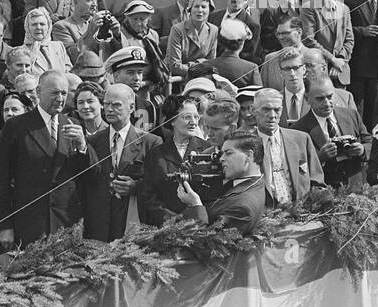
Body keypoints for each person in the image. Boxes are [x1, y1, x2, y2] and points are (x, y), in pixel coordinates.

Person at [0, 70, 87, 249]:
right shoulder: (16, 126)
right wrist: (4, 225)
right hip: (30, 224)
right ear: (38, 91)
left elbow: (89, 174)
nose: (60, 98)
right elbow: (1, 179)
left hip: (66, 223)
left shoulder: (73, 124)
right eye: (54, 92)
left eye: (64, 93)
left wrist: (82, 146)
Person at [79, 84, 162, 242]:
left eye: (116, 105)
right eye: (106, 104)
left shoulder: (151, 142)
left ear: (131, 107)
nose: (109, 109)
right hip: (100, 228)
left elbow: (159, 185)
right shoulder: (93, 141)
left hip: (134, 224)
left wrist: (136, 187)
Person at [289, 75, 370, 187]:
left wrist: (362, 150)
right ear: (307, 99)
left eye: (330, 96)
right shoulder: (298, 129)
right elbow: (296, 168)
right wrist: (319, 157)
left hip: (356, 188)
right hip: (323, 193)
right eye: (320, 99)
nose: (327, 103)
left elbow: (371, 143)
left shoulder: (351, 115)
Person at [140, 98, 210, 226]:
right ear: (172, 120)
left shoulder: (208, 150)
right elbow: (149, 197)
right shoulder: (156, 154)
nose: (193, 122)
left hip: (201, 225)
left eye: (196, 117)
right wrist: (174, 221)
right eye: (187, 117)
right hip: (165, 228)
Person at [177, 134, 267, 231]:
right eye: (222, 153)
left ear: (249, 155)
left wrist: (195, 205)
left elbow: (208, 242)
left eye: (228, 153)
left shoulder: (243, 208)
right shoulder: (249, 184)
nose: (221, 159)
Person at [251, 88, 324, 206]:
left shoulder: (301, 139)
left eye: (277, 110)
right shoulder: (245, 145)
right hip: (265, 216)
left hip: (301, 215)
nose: (272, 115)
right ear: (253, 110)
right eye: (266, 109)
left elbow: (317, 183)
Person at [166, 0, 219, 80]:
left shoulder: (213, 30)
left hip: (203, 79)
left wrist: (193, 64)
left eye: (204, 7)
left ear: (209, 10)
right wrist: (200, 68)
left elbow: (211, 62)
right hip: (177, 81)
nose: (200, 10)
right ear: (189, 10)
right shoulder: (177, 29)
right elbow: (174, 65)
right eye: (196, 6)